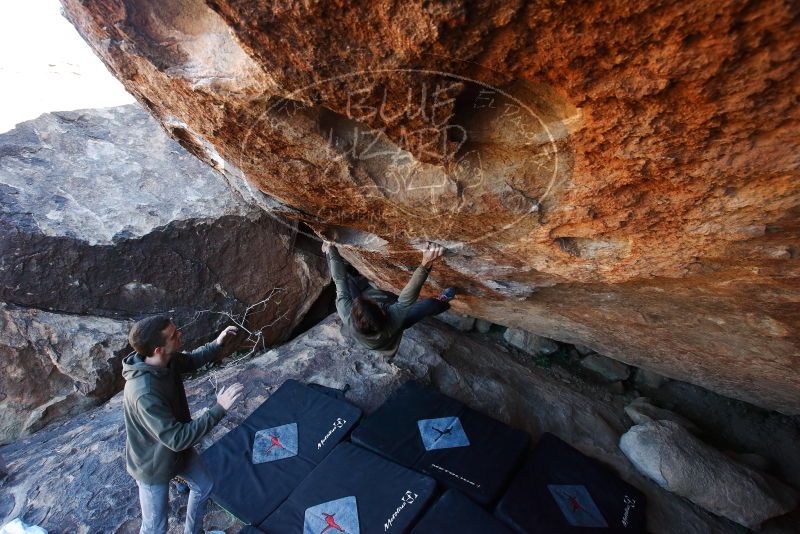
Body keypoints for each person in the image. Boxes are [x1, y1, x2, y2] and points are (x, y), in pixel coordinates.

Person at [122, 315, 244, 534]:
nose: (180, 335)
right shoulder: (144, 392)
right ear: (158, 349)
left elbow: (192, 360)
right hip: (153, 465)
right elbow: (178, 439)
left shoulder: (167, 360)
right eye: (173, 335)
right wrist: (219, 409)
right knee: (155, 527)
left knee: (204, 486)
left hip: (175, 453)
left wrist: (218, 343)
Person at [323, 241, 456, 357]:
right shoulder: (393, 322)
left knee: (347, 284)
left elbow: (339, 280)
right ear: (382, 312)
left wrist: (330, 249)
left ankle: (326, 252)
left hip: (369, 329)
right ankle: (442, 302)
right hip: (391, 334)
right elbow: (406, 299)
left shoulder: (346, 312)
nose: (373, 300)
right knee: (429, 304)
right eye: (374, 303)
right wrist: (426, 263)